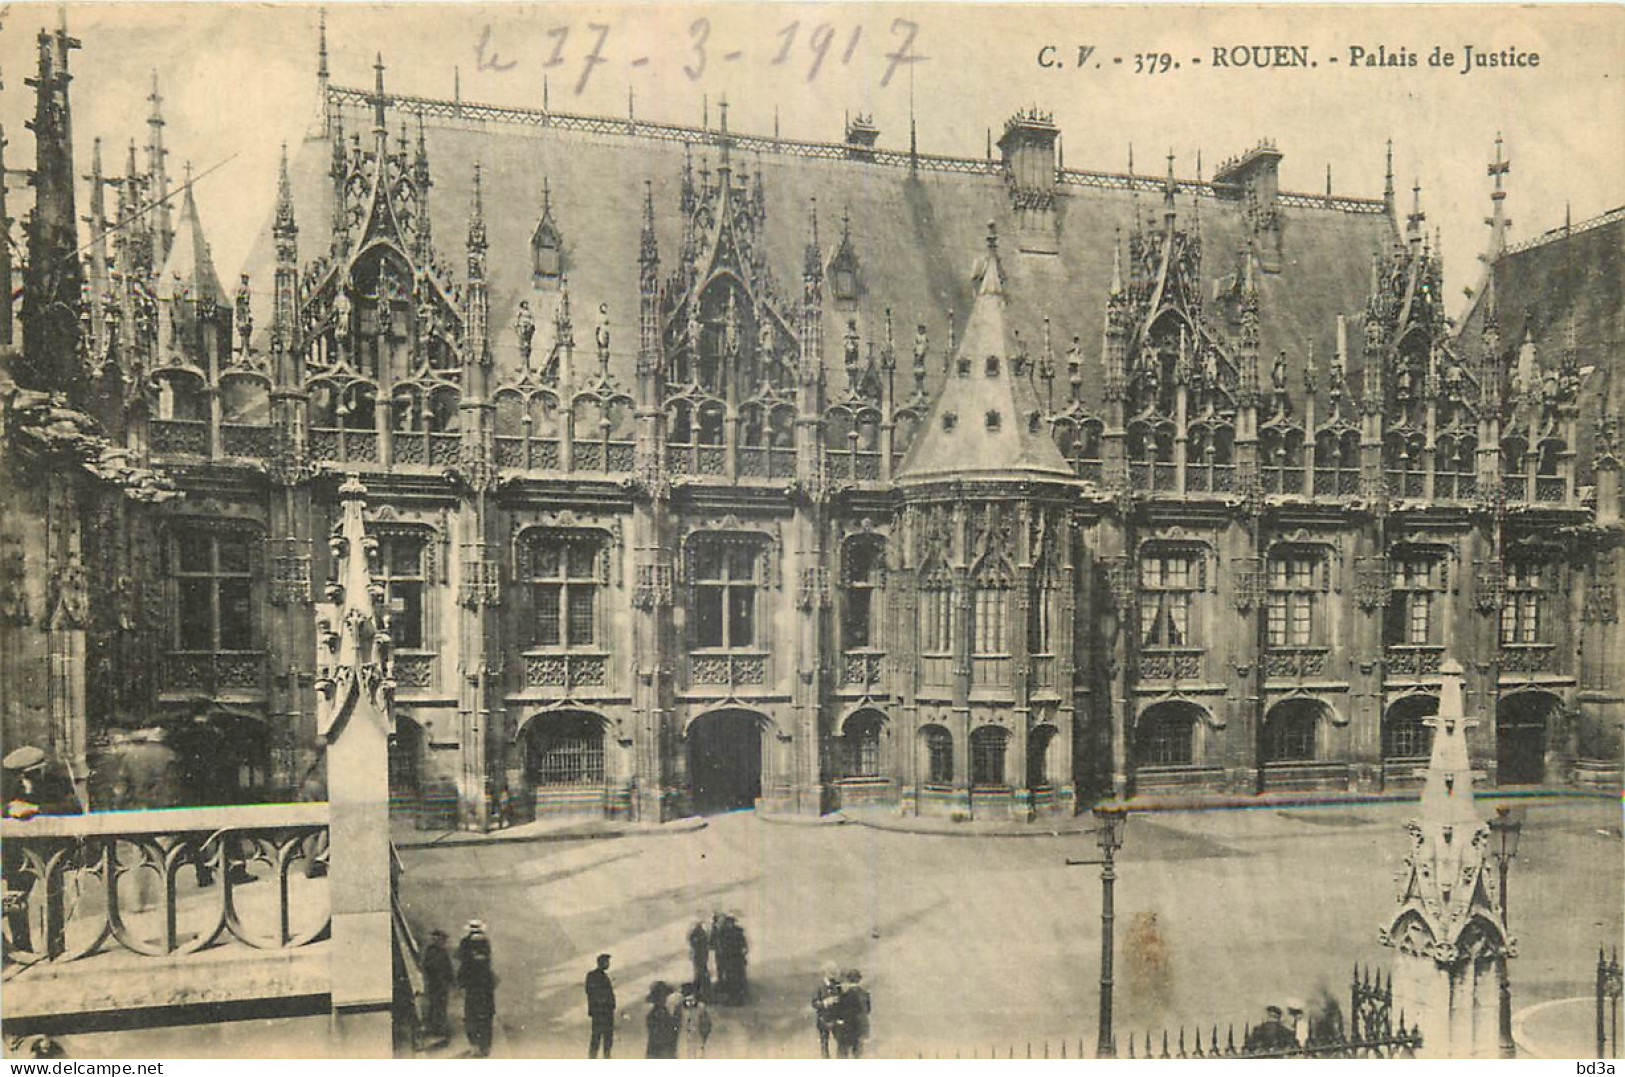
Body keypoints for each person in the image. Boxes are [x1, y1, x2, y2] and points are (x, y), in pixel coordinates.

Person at [3, 746, 82, 956]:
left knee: (53, 896)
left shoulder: (55, 780)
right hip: (17, 853)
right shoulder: (6, 784)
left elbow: (73, 807)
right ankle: (22, 947)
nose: (30, 778)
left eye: (34, 773)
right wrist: (9, 810)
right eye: (25, 775)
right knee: (17, 898)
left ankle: (55, 946)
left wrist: (36, 810)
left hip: (49, 850)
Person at [457, 920, 497, 1057]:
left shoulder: (465, 942)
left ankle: (474, 1045)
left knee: (471, 1016)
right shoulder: (486, 942)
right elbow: (487, 963)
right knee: (486, 1016)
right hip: (485, 986)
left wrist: (460, 983)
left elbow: (462, 962)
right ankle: (485, 1047)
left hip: (472, 986)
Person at [420, 929, 454, 1047]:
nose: (441, 941)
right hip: (435, 984)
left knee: (441, 1007)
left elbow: (448, 968)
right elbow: (426, 966)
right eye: (439, 938)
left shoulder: (443, 952)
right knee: (435, 1007)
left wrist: (450, 981)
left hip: (442, 985)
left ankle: (439, 1031)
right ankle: (435, 1031)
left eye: (442, 939)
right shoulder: (431, 951)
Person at [832, 969, 871, 1058]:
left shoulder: (844, 995)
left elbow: (839, 1012)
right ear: (859, 980)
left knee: (842, 1053)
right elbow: (868, 1010)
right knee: (857, 1055)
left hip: (847, 1028)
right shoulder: (865, 994)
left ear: (848, 980)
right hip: (860, 1028)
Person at [585, 953, 617, 1058]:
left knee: (605, 1038)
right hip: (601, 1012)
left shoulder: (600, 976)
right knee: (598, 1037)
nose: (608, 964)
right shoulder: (594, 976)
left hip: (604, 1012)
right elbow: (591, 992)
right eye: (606, 962)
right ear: (601, 963)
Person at [811, 966, 843, 1058]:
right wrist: (825, 1002)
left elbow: (842, 1001)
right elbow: (814, 1003)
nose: (833, 975)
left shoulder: (837, 985)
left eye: (834, 973)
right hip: (823, 1019)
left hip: (835, 1018)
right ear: (825, 973)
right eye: (831, 973)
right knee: (824, 1043)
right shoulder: (818, 987)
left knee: (840, 1041)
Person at [675, 981, 712, 1059]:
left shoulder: (701, 1007)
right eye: (686, 995)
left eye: (691, 995)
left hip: (697, 1039)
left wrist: (703, 1038)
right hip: (683, 1040)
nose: (689, 998)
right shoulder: (679, 1007)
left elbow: (707, 1025)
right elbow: (675, 1023)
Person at [644, 981, 678, 1059]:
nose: (664, 999)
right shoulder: (657, 1014)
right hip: (660, 1051)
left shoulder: (658, 1013)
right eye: (662, 997)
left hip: (657, 1051)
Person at [687, 921, 712, 999]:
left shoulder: (700, 935)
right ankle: (700, 992)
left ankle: (701, 992)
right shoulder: (699, 935)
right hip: (699, 957)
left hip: (701, 957)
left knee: (700, 973)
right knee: (700, 973)